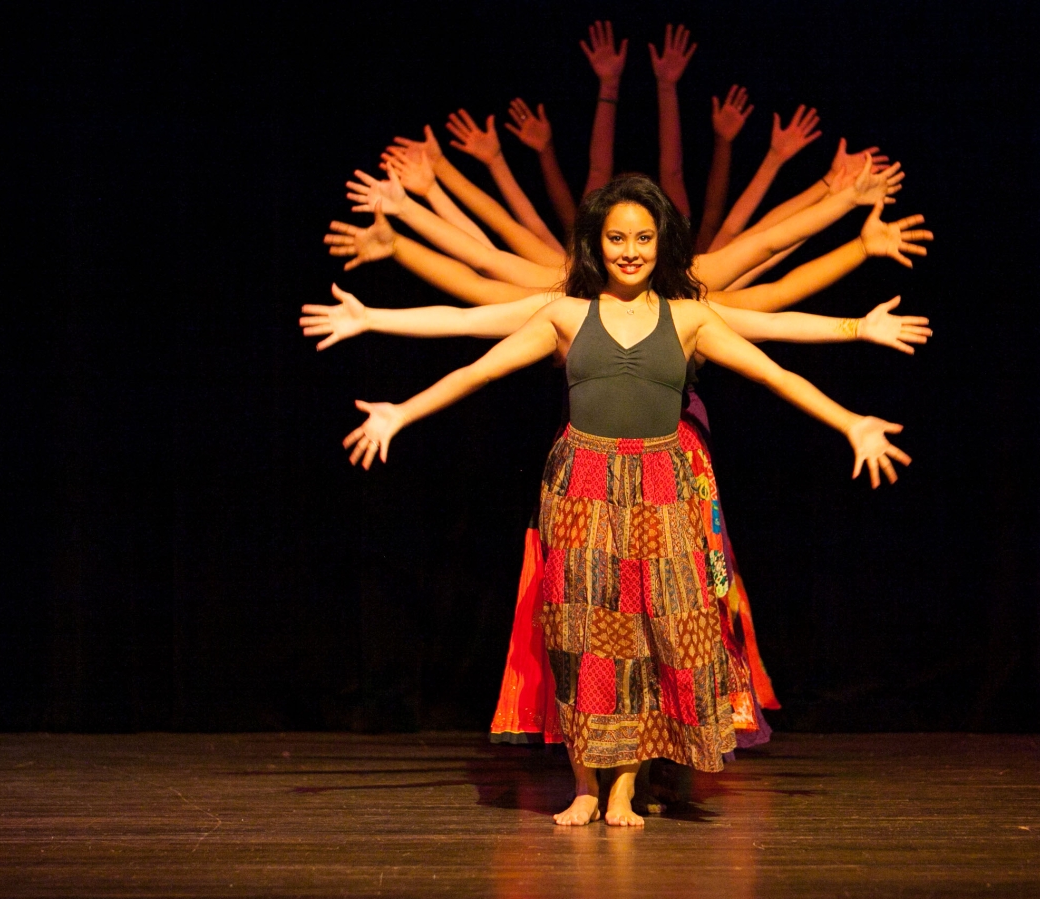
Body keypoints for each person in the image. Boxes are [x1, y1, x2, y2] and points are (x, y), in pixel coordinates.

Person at [333, 174, 911, 826]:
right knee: (584, 640)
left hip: (663, 489)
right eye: (617, 238)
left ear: (662, 242)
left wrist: (856, 357)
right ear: (596, 245)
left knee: (649, 638)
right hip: (582, 483)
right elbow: (473, 343)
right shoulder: (566, 315)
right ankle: (585, 786)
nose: (630, 249)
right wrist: (380, 350)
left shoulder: (690, 318)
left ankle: (623, 790)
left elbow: (774, 348)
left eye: (642, 236)